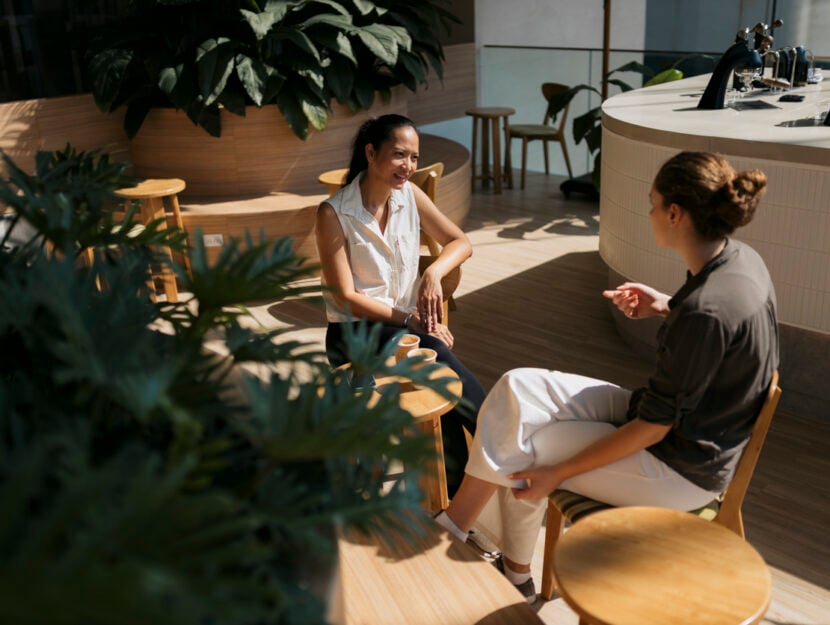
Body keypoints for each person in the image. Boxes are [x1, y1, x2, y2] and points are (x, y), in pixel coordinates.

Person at [434, 151, 779, 602]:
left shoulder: (705, 312)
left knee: (527, 451)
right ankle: (474, 539)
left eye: (653, 202)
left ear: (675, 214)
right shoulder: (738, 259)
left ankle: (484, 551)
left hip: (680, 467)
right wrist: (664, 306)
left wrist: (556, 473)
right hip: (672, 421)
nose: (649, 211)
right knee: (519, 386)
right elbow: (717, 337)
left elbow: (655, 426)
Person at [315, 114, 487, 497]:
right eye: (399, 155)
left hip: (402, 329)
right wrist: (412, 320)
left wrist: (434, 273)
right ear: (371, 153)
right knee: (433, 354)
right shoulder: (333, 213)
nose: (408, 166)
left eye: (414, 157)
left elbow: (461, 242)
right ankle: (492, 437)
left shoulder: (410, 195)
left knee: (433, 363)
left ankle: (454, 495)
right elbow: (346, 297)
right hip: (353, 333)